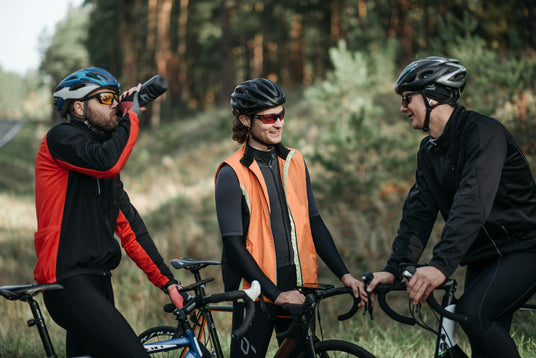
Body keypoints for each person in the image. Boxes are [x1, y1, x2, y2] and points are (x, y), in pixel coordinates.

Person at [366, 57, 536, 358]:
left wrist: (440, 265)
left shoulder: (484, 134)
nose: (402, 108)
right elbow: (418, 214)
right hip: (485, 256)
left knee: (472, 314)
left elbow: (473, 203)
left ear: (432, 96)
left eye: (407, 99)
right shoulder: (430, 150)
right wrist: (394, 269)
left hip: (525, 247)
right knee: (479, 336)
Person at [34, 67, 187, 358]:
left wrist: (167, 282)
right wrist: (130, 115)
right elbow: (107, 162)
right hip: (68, 282)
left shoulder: (99, 162)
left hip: (100, 280)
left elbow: (131, 229)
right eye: (105, 98)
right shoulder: (60, 138)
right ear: (78, 106)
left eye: (117, 98)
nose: (115, 104)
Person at [214, 78, 368, 357]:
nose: (279, 123)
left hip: (296, 288)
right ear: (246, 120)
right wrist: (274, 293)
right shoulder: (230, 173)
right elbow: (234, 247)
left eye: (281, 114)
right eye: (270, 117)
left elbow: (315, 224)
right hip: (255, 293)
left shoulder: (294, 161)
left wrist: (344, 274)